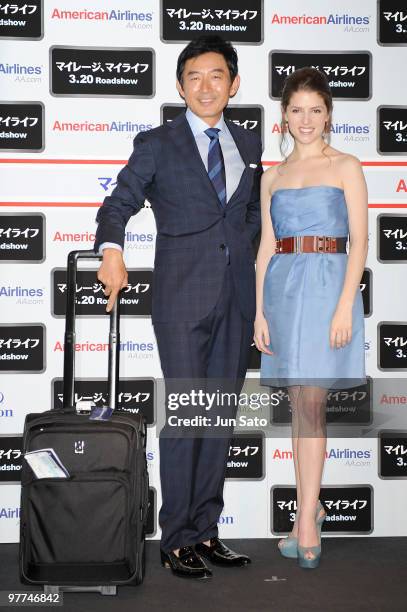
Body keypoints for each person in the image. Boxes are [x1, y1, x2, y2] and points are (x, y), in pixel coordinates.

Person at [94, 35, 263, 579]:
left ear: (234, 84)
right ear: (179, 85)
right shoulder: (157, 143)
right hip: (181, 300)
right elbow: (117, 203)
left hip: (239, 300)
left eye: (217, 75)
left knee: (219, 421)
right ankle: (174, 539)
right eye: (195, 76)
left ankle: (206, 532)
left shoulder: (250, 144)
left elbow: (255, 225)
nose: (206, 86)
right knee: (188, 418)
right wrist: (112, 251)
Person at [254, 67, 367, 569]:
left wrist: (347, 303)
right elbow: (265, 246)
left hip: (328, 289)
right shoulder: (271, 176)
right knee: (299, 404)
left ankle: (304, 520)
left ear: (329, 116)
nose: (306, 120)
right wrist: (258, 309)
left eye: (315, 110)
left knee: (314, 404)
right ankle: (310, 510)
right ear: (284, 115)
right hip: (282, 288)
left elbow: (361, 242)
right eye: (297, 110)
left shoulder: (346, 165)